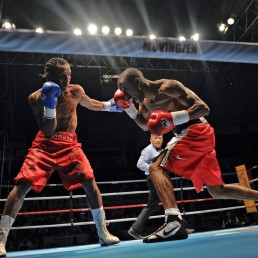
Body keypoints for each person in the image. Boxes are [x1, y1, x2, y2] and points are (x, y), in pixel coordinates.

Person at [114, 67, 258, 243]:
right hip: (193, 136)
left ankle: (173, 221)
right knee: (217, 190)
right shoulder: (145, 102)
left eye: (125, 88)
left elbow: (204, 108)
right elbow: (145, 125)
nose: (125, 94)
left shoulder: (169, 87)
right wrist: (130, 110)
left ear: (136, 81)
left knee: (156, 168)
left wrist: (174, 118)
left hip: (196, 129)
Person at [0, 57, 121, 256]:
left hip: (70, 143)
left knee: (90, 182)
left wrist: (113, 106)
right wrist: (51, 104)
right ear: (49, 76)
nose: (66, 78)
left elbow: (92, 104)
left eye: (69, 74)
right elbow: (48, 130)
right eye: (61, 75)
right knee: (23, 185)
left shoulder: (76, 91)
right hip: (45, 144)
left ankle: (103, 233)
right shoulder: (36, 97)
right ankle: (1, 238)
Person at [128, 134, 164, 239]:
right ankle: (177, 225)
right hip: (153, 179)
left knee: (152, 205)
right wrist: (153, 171)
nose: (158, 140)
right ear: (151, 139)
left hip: (157, 178)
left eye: (160, 138)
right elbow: (140, 164)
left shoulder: (160, 149)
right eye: (156, 138)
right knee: (168, 200)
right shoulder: (148, 150)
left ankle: (135, 229)